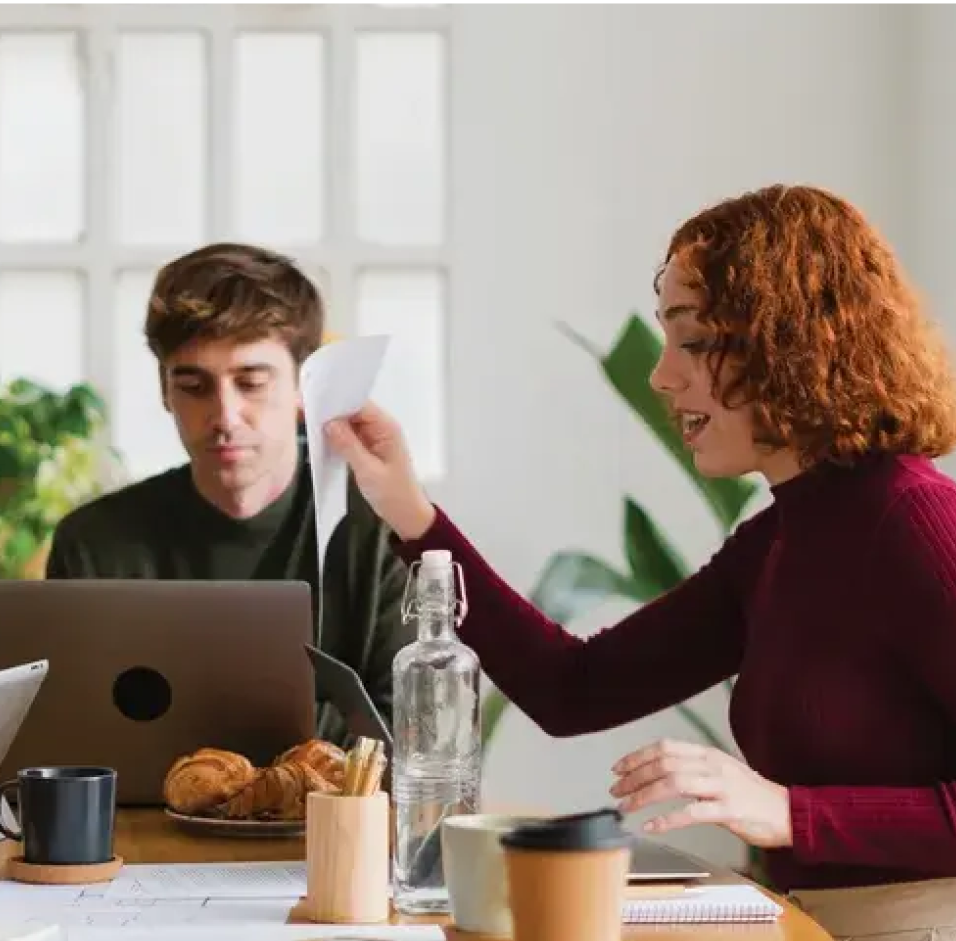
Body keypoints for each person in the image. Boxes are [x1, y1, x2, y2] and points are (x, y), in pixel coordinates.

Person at [323, 185, 956, 938]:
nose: (661, 375)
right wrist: (407, 508)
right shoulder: (782, 536)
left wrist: (792, 812)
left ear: (794, 341)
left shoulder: (912, 521)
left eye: (695, 342)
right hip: (803, 923)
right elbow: (574, 688)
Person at [46, 242, 416, 745]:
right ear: (164, 391)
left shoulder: (381, 532)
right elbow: (74, 740)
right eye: (194, 387)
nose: (224, 416)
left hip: (330, 824)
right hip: (145, 824)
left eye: (252, 383)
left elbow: (409, 740)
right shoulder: (94, 543)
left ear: (306, 389)